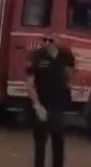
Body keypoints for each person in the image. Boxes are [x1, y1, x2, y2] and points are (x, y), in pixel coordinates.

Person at [25, 33, 75, 167]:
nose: (47, 42)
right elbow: (29, 83)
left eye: (50, 40)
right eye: (44, 40)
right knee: (40, 142)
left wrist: (69, 85)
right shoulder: (37, 56)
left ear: (57, 40)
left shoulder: (66, 55)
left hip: (59, 104)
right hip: (42, 102)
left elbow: (70, 74)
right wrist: (37, 106)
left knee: (58, 141)